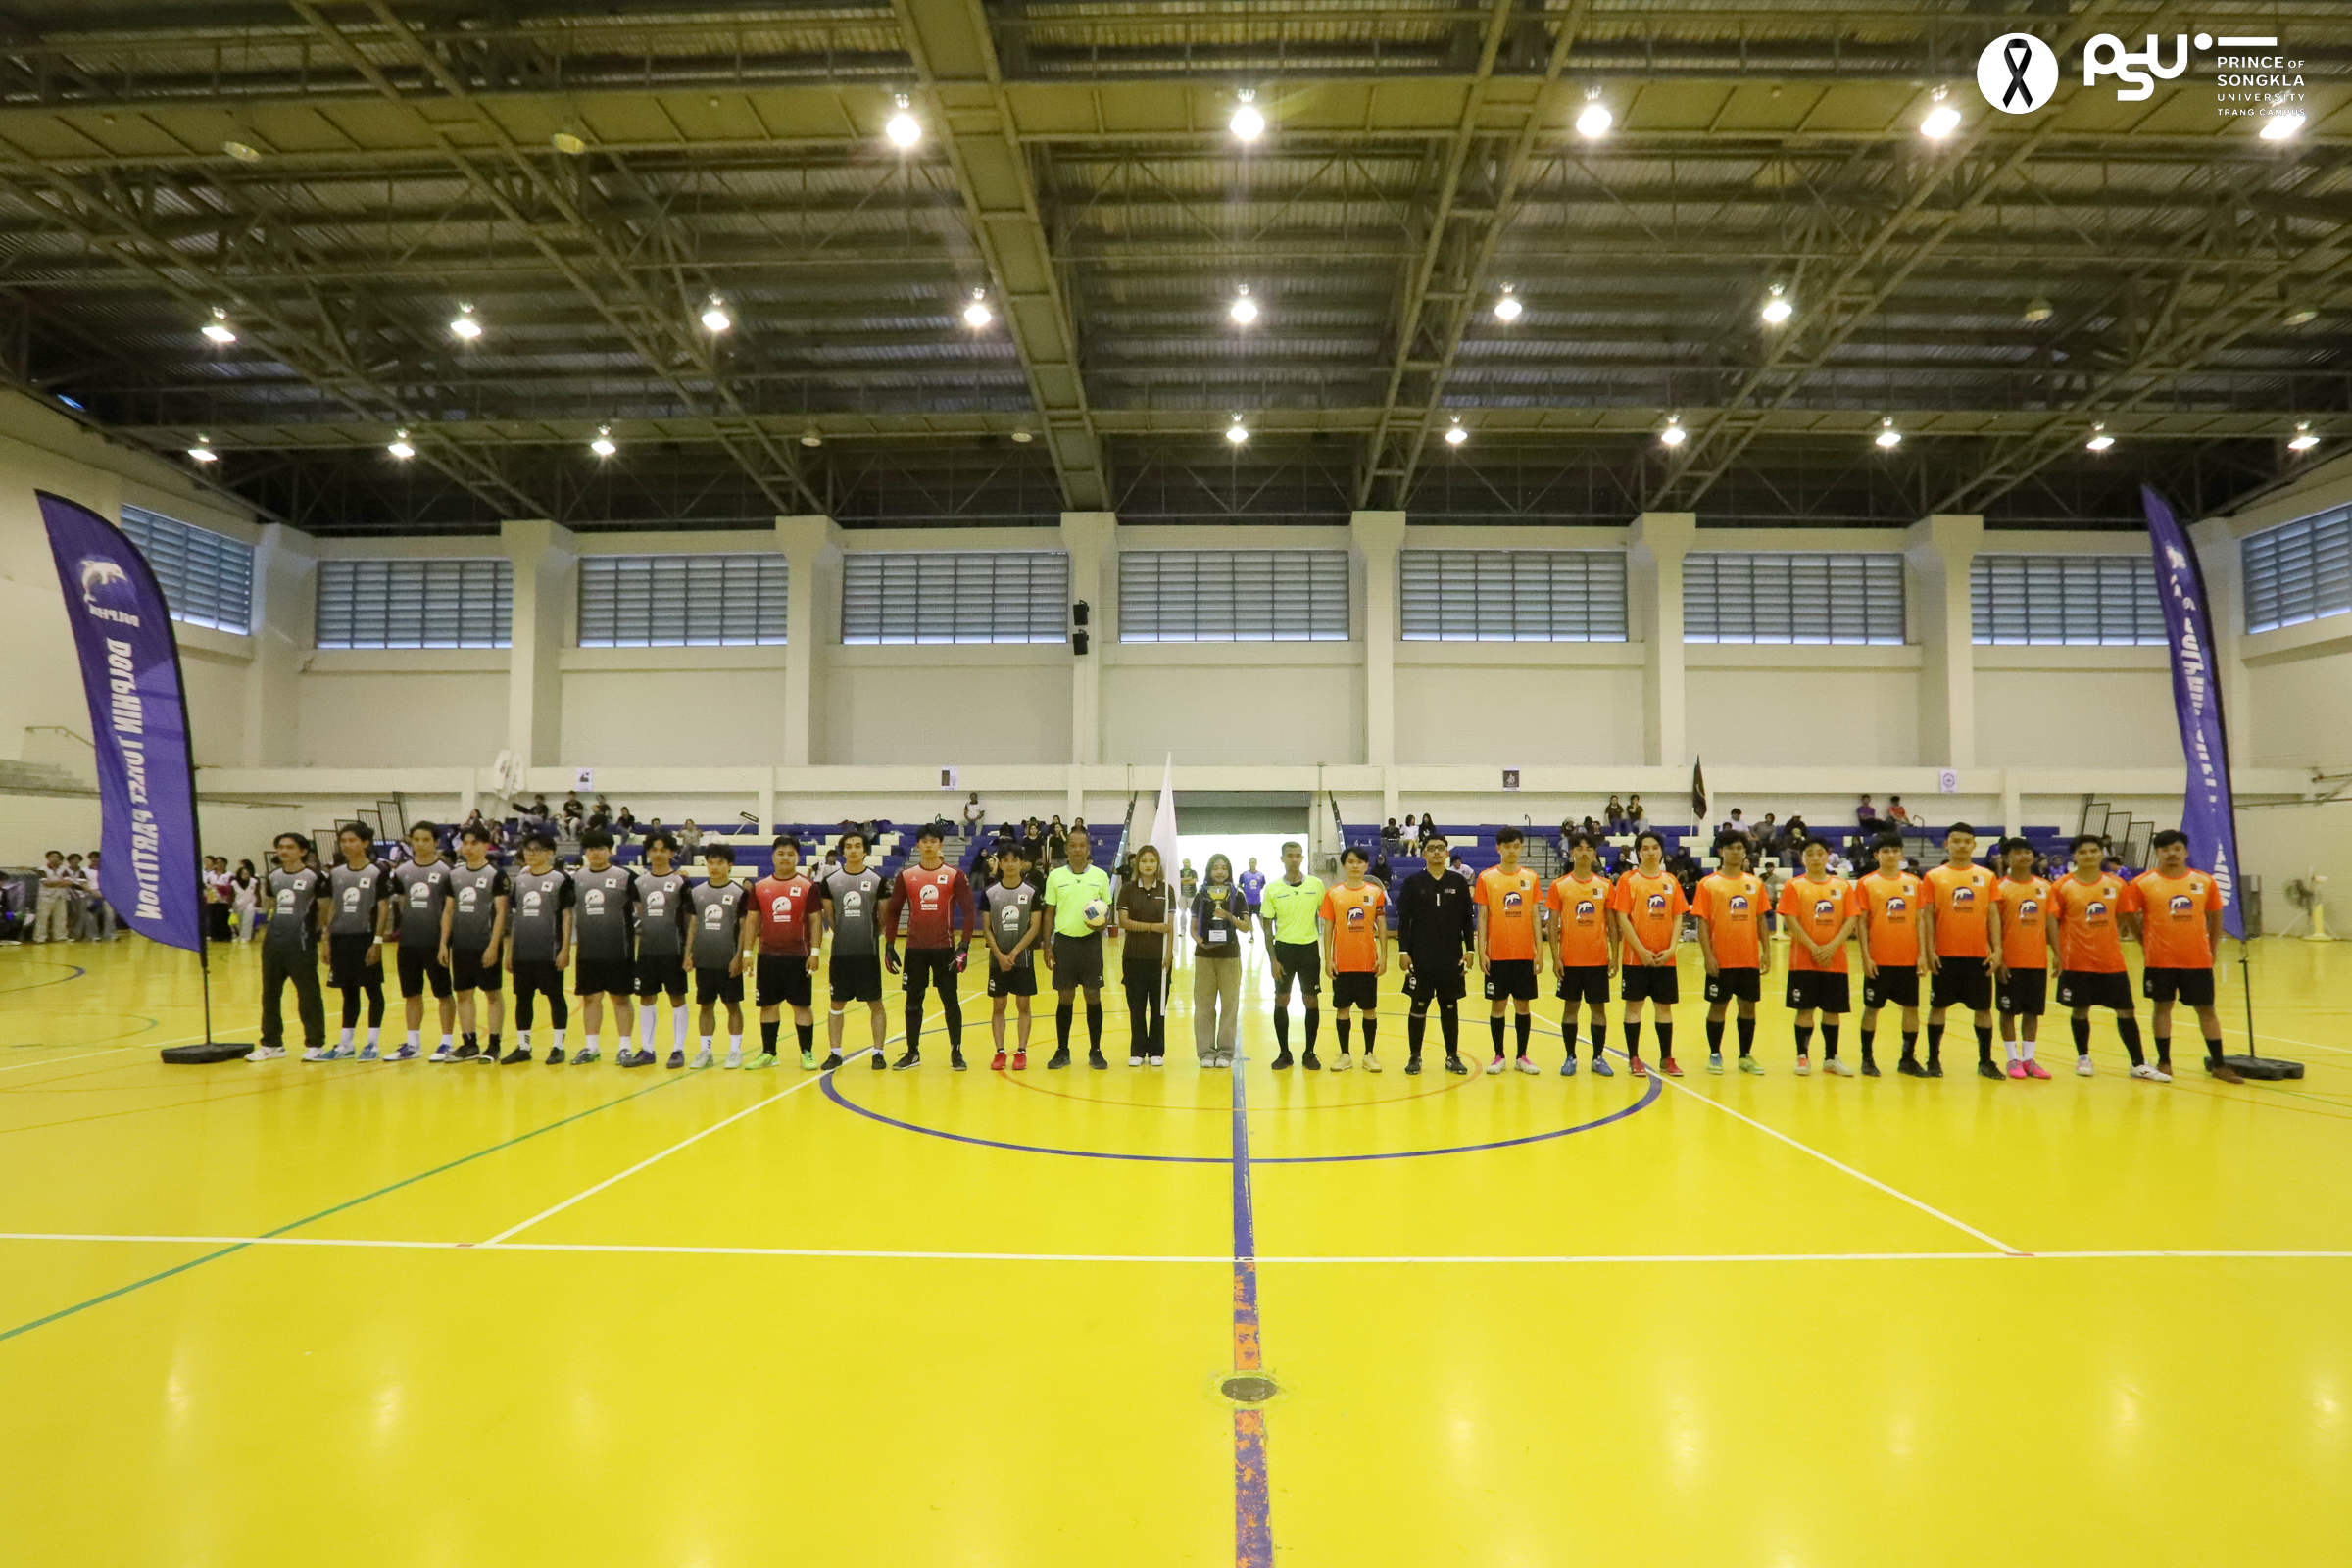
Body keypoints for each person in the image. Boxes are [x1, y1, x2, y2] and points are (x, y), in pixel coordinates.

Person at [2132, 829, 2244, 1083]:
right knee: (2162, 1007)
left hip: (2197, 960)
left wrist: (2212, 948)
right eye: (2165, 849)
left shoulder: (2204, 881)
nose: (2171, 853)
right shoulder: (2143, 882)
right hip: (2160, 960)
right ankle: (2164, 1062)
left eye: (2176, 848)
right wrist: (2143, 942)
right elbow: (2129, 914)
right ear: (2157, 853)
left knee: (2206, 1009)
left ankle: (2219, 1065)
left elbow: (2215, 915)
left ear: (2186, 852)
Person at [2049, 833, 2160, 1079]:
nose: (2088, 855)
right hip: (2076, 961)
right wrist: (2058, 953)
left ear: (2102, 854)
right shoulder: (2062, 886)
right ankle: (2083, 1057)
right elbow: (2054, 921)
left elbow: (2123, 916)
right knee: (2080, 1010)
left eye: (2093, 851)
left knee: (2126, 1011)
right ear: (2074, 856)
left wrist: (2133, 940)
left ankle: (2138, 1063)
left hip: (2111, 961)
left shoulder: (2116, 884)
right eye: (2082, 852)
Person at [883, 823, 978, 1072]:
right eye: (924, 841)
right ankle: (912, 1052)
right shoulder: (907, 876)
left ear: (940, 844)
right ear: (918, 845)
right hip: (915, 950)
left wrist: (964, 945)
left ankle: (956, 1052)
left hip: (944, 949)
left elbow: (970, 912)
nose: (928, 845)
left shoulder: (954, 875)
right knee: (913, 1001)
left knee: (950, 1000)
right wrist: (889, 944)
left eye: (933, 841)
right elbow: (893, 912)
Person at [1921, 823, 2002, 1081]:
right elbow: (1927, 916)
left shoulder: (1986, 876)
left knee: (1983, 1009)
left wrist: (1997, 949)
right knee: (1938, 1007)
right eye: (1956, 841)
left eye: (1967, 841)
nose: (1962, 845)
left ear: (1974, 845)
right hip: (1944, 954)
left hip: (1978, 955)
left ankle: (1986, 1061)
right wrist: (1929, 950)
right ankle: (1933, 1060)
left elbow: (1993, 915)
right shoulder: (1934, 876)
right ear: (1947, 844)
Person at [1609, 829, 1687, 1076]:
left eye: (1655, 847)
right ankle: (1634, 1058)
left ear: (1661, 851)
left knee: (1664, 1008)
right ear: (1638, 853)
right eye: (1645, 848)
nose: (1651, 852)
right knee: (1634, 1007)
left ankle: (1667, 1058)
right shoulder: (1628, 880)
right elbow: (1622, 917)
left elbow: (1677, 916)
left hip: (1665, 958)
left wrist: (1672, 948)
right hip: (1636, 958)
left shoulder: (1671, 881)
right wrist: (1640, 949)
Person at [1777, 836, 1857, 1075]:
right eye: (1810, 854)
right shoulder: (1794, 885)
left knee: (1832, 1011)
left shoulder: (1842, 886)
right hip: (1803, 960)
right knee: (1805, 1010)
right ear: (1803, 858)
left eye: (1820, 853)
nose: (1815, 858)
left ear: (1827, 856)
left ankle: (1831, 1058)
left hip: (1835, 961)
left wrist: (1831, 947)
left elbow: (1851, 919)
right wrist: (1813, 947)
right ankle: (1803, 1057)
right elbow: (1791, 920)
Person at [1396, 832, 1474, 1076]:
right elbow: (1404, 919)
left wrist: (1470, 950)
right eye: (1431, 848)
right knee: (1418, 1005)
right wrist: (1403, 951)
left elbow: (1466, 919)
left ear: (1447, 853)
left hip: (1451, 956)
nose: (1437, 852)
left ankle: (1452, 1056)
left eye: (1441, 848)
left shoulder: (1458, 882)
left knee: (1449, 1006)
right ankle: (1415, 1056)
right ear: (1424, 854)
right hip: (1421, 956)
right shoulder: (1413, 882)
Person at [248, 833, 328, 1061]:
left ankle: (315, 1044)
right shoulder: (273, 877)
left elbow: (324, 908)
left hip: (301, 943)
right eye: (281, 847)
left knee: (308, 994)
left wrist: (320, 933)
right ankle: (272, 1043)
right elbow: (271, 904)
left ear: (302, 851)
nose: (284, 851)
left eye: (290, 847)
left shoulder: (315, 877)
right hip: (274, 943)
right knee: (270, 994)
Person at [1694, 832, 1768, 1075]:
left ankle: (1745, 1055)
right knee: (1718, 1007)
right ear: (1721, 852)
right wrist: (1708, 956)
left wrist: (1766, 952)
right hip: (1721, 959)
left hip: (1748, 959)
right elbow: (1702, 922)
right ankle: (1715, 1054)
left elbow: (1761, 919)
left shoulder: (1755, 884)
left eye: (1739, 848)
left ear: (1745, 852)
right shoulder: (1708, 884)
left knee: (1748, 1007)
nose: (1735, 852)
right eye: (1730, 848)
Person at [1546, 829, 1617, 1078]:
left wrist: (1615, 956)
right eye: (1579, 848)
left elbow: (1612, 924)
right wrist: (1555, 957)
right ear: (1572, 853)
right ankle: (1570, 1056)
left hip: (1598, 960)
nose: (1584, 853)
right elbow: (1552, 924)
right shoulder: (1559, 885)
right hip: (1570, 960)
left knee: (1599, 1010)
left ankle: (1598, 1057)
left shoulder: (1605, 885)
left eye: (1589, 849)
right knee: (1571, 1008)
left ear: (1595, 854)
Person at [817, 829, 889, 1072]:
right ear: (843, 851)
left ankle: (878, 1053)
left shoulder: (877, 880)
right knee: (836, 1004)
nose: (853, 850)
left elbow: (883, 918)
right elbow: (830, 918)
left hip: (867, 953)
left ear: (865, 851)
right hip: (841, 954)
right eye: (848, 846)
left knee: (875, 1004)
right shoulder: (830, 882)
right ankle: (835, 1053)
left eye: (858, 846)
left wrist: (871, 935)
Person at [1042, 826, 1113, 1069]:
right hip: (1064, 943)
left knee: (1093, 995)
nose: (1077, 850)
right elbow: (1049, 913)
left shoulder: (1100, 877)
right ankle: (1062, 1050)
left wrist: (1101, 925)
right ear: (1066, 849)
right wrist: (1047, 945)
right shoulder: (1055, 877)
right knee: (1065, 996)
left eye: (1082, 845)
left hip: (1090, 943)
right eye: (1073, 845)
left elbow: (1107, 912)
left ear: (1088, 848)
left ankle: (1096, 1050)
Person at [1473, 826, 1543, 1075]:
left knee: (1523, 1006)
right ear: (1498, 848)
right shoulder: (1486, 878)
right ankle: (1499, 1055)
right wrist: (1482, 950)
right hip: (1497, 955)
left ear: (1521, 848)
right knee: (1498, 1006)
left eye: (1516, 846)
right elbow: (1482, 917)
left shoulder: (1531, 878)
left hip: (1524, 954)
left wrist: (1539, 951)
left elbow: (1535, 915)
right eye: (1507, 846)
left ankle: (1522, 1056)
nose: (1512, 851)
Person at [1853, 835, 1923, 1078]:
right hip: (1879, 959)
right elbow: (1861, 923)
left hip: (1908, 959)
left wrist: (1922, 954)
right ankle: (1867, 1059)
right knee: (1872, 1008)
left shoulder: (1914, 882)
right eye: (1885, 851)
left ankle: (1907, 1059)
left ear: (1901, 854)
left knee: (1911, 1008)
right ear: (1876, 855)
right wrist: (1865, 956)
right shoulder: (1866, 883)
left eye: (1895, 850)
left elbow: (1919, 920)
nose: (1891, 855)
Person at [567, 829, 639, 1066]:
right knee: (590, 999)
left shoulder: (625, 876)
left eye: (600, 848)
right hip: (588, 950)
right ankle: (591, 1047)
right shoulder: (576, 878)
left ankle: (625, 1048)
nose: (595, 853)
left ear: (610, 850)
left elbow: (643, 906)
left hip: (619, 950)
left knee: (621, 999)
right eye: (590, 849)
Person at [748, 835, 819, 1070]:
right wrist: (747, 953)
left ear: (797, 857)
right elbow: (752, 922)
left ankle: (806, 1052)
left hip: (798, 956)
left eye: (790, 854)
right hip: (768, 956)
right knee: (768, 1006)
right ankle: (769, 1053)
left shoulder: (808, 886)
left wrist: (815, 952)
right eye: (781, 853)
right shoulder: (760, 887)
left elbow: (816, 920)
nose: (785, 858)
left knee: (801, 1006)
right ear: (773, 857)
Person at [442, 822, 511, 1063]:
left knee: (492, 994)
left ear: (485, 846)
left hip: (485, 943)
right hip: (461, 945)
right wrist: (443, 943)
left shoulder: (496, 875)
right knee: (463, 994)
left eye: (475, 843)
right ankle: (469, 1043)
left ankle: (494, 1045)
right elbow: (448, 911)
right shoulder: (454, 875)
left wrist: (493, 946)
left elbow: (501, 913)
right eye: (465, 843)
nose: (469, 848)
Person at [390, 823, 457, 1061]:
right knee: (411, 993)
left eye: (426, 839)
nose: (420, 844)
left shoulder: (447, 872)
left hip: (435, 941)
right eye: (416, 839)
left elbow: (450, 909)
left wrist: (444, 942)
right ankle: (412, 1044)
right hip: (409, 941)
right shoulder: (402, 871)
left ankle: (446, 1042)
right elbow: (402, 903)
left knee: (443, 992)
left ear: (436, 842)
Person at [324, 824, 392, 1059]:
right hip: (341, 938)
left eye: (352, 840)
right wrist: (327, 939)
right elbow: (333, 905)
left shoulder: (377, 872)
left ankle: (372, 1043)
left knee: (373, 990)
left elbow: (383, 908)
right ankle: (345, 1044)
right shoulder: (336, 873)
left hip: (366, 937)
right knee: (348, 991)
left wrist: (377, 941)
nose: (347, 845)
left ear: (364, 843)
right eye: (343, 841)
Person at [628, 831, 694, 1068]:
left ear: (672, 853)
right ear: (647, 853)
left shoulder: (681, 882)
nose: (658, 854)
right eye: (653, 849)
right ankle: (647, 1050)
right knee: (646, 998)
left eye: (663, 849)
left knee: (677, 998)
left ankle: (678, 1050)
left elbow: (691, 919)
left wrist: (689, 952)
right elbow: (641, 913)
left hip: (673, 950)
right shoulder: (639, 883)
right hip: (647, 950)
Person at [506, 831, 573, 1061]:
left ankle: (558, 1046)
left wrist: (565, 949)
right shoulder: (520, 880)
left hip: (549, 950)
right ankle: (523, 1047)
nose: (532, 854)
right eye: (528, 850)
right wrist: (509, 951)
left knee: (555, 997)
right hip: (523, 951)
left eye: (537, 850)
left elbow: (566, 915)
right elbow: (516, 916)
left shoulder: (560, 879)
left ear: (549, 853)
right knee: (523, 998)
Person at [1319, 845, 1388, 1072]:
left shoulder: (1375, 892)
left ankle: (1369, 1054)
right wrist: (1328, 959)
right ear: (1344, 865)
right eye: (1350, 862)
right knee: (1343, 1009)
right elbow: (1328, 927)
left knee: (1369, 1010)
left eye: (1359, 862)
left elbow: (1381, 925)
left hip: (1367, 962)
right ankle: (1344, 1055)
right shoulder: (1333, 893)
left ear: (1366, 866)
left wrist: (1383, 956)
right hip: (1342, 963)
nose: (1355, 866)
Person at [1262, 840, 1329, 1071]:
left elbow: (1327, 917)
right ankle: (1284, 1053)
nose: (1293, 859)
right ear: (1282, 858)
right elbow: (1267, 927)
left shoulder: (1316, 885)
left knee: (1311, 1000)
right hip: (1284, 950)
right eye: (1289, 855)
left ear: (1302, 858)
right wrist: (1273, 959)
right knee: (1282, 999)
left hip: (1309, 949)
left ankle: (1309, 1053)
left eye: (1298, 855)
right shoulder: (1272, 889)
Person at [1990, 837, 2053, 1078]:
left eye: (2027, 852)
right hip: (2010, 961)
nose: (2024, 856)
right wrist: (1999, 958)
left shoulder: (2045, 887)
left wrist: (2058, 953)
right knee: (2008, 1012)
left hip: (2036, 961)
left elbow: (2050, 921)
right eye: (2017, 852)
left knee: (2032, 1012)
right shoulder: (1999, 888)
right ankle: (2012, 1059)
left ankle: (2029, 1059)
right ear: (2007, 858)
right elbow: (1992, 925)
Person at [686, 843, 751, 1068]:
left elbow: (744, 928)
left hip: (728, 960)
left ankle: (734, 1051)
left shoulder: (739, 893)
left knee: (732, 1005)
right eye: (710, 863)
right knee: (705, 1006)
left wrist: (739, 957)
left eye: (720, 863)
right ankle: (705, 1051)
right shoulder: (697, 893)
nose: (714, 867)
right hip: (704, 960)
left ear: (729, 865)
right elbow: (693, 925)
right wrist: (688, 954)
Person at [985, 842, 1046, 1069]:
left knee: (1023, 1005)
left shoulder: (1031, 892)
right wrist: (1000, 955)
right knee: (998, 1006)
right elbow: (987, 928)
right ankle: (999, 1052)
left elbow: (1034, 926)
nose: (1010, 865)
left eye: (1015, 860)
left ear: (1022, 864)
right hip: (997, 960)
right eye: (1006, 861)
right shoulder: (990, 893)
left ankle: (1021, 1052)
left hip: (1023, 959)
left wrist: (1014, 952)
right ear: (1000, 864)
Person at [1115, 844, 1173, 1067]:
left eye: (1152, 861)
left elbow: (1170, 926)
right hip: (1134, 957)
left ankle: (1157, 1050)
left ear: (1158, 864)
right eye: (1143, 861)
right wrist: (1152, 927)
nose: (1148, 865)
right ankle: (1137, 1050)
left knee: (1158, 1008)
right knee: (1136, 1007)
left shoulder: (1167, 890)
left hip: (1159, 959)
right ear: (1136, 864)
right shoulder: (1128, 889)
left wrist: (1168, 954)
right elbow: (1124, 922)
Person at [1191, 853, 1245, 1067]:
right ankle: (1205, 1052)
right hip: (1204, 956)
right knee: (1204, 1006)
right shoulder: (1201, 894)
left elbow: (1246, 926)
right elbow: (1193, 926)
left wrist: (1228, 916)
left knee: (1229, 1006)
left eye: (1224, 868)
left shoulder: (1237, 893)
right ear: (1209, 870)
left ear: (1229, 871)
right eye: (1215, 867)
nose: (1220, 872)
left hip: (1230, 956)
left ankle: (1225, 1052)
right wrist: (1200, 942)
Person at [1237, 857, 1267, 947]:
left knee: (1261, 919)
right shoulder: (1244, 875)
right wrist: (1245, 892)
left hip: (1257, 901)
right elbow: (1239, 885)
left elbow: (1262, 885)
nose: (1252, 864)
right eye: (1251, 863)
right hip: (1248, 902)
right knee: (1249, 920)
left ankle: (1267, 935)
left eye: (1253, 863)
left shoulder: (1261, 875)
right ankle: (1252, 936)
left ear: (1256, 863)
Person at [229, 859, 261, 943]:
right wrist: (230, 906)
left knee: (247, 920)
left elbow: (257, 893)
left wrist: (258, 904)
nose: (245, 875)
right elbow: (231, 895)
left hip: (250, 903)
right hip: (238, 904)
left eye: (247, 874)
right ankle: (239, 935)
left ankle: (245, 937)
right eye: (243, 874)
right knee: (238, 922)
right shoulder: (234, 883)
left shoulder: (254, 881)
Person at [1178, 858, 1199, 938]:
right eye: (1184, 863)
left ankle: (1195, 929)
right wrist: (1188, 879)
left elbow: (1194, 880)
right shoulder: (1180, 872)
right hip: (1182, 895)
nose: (1185, 864)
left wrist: (1184, 881)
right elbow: (1178, 880)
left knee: (1194, 913)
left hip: (1191, 895)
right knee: (1182, 913)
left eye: (1187, 862)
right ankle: (1183, 930)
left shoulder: (1193, 872)